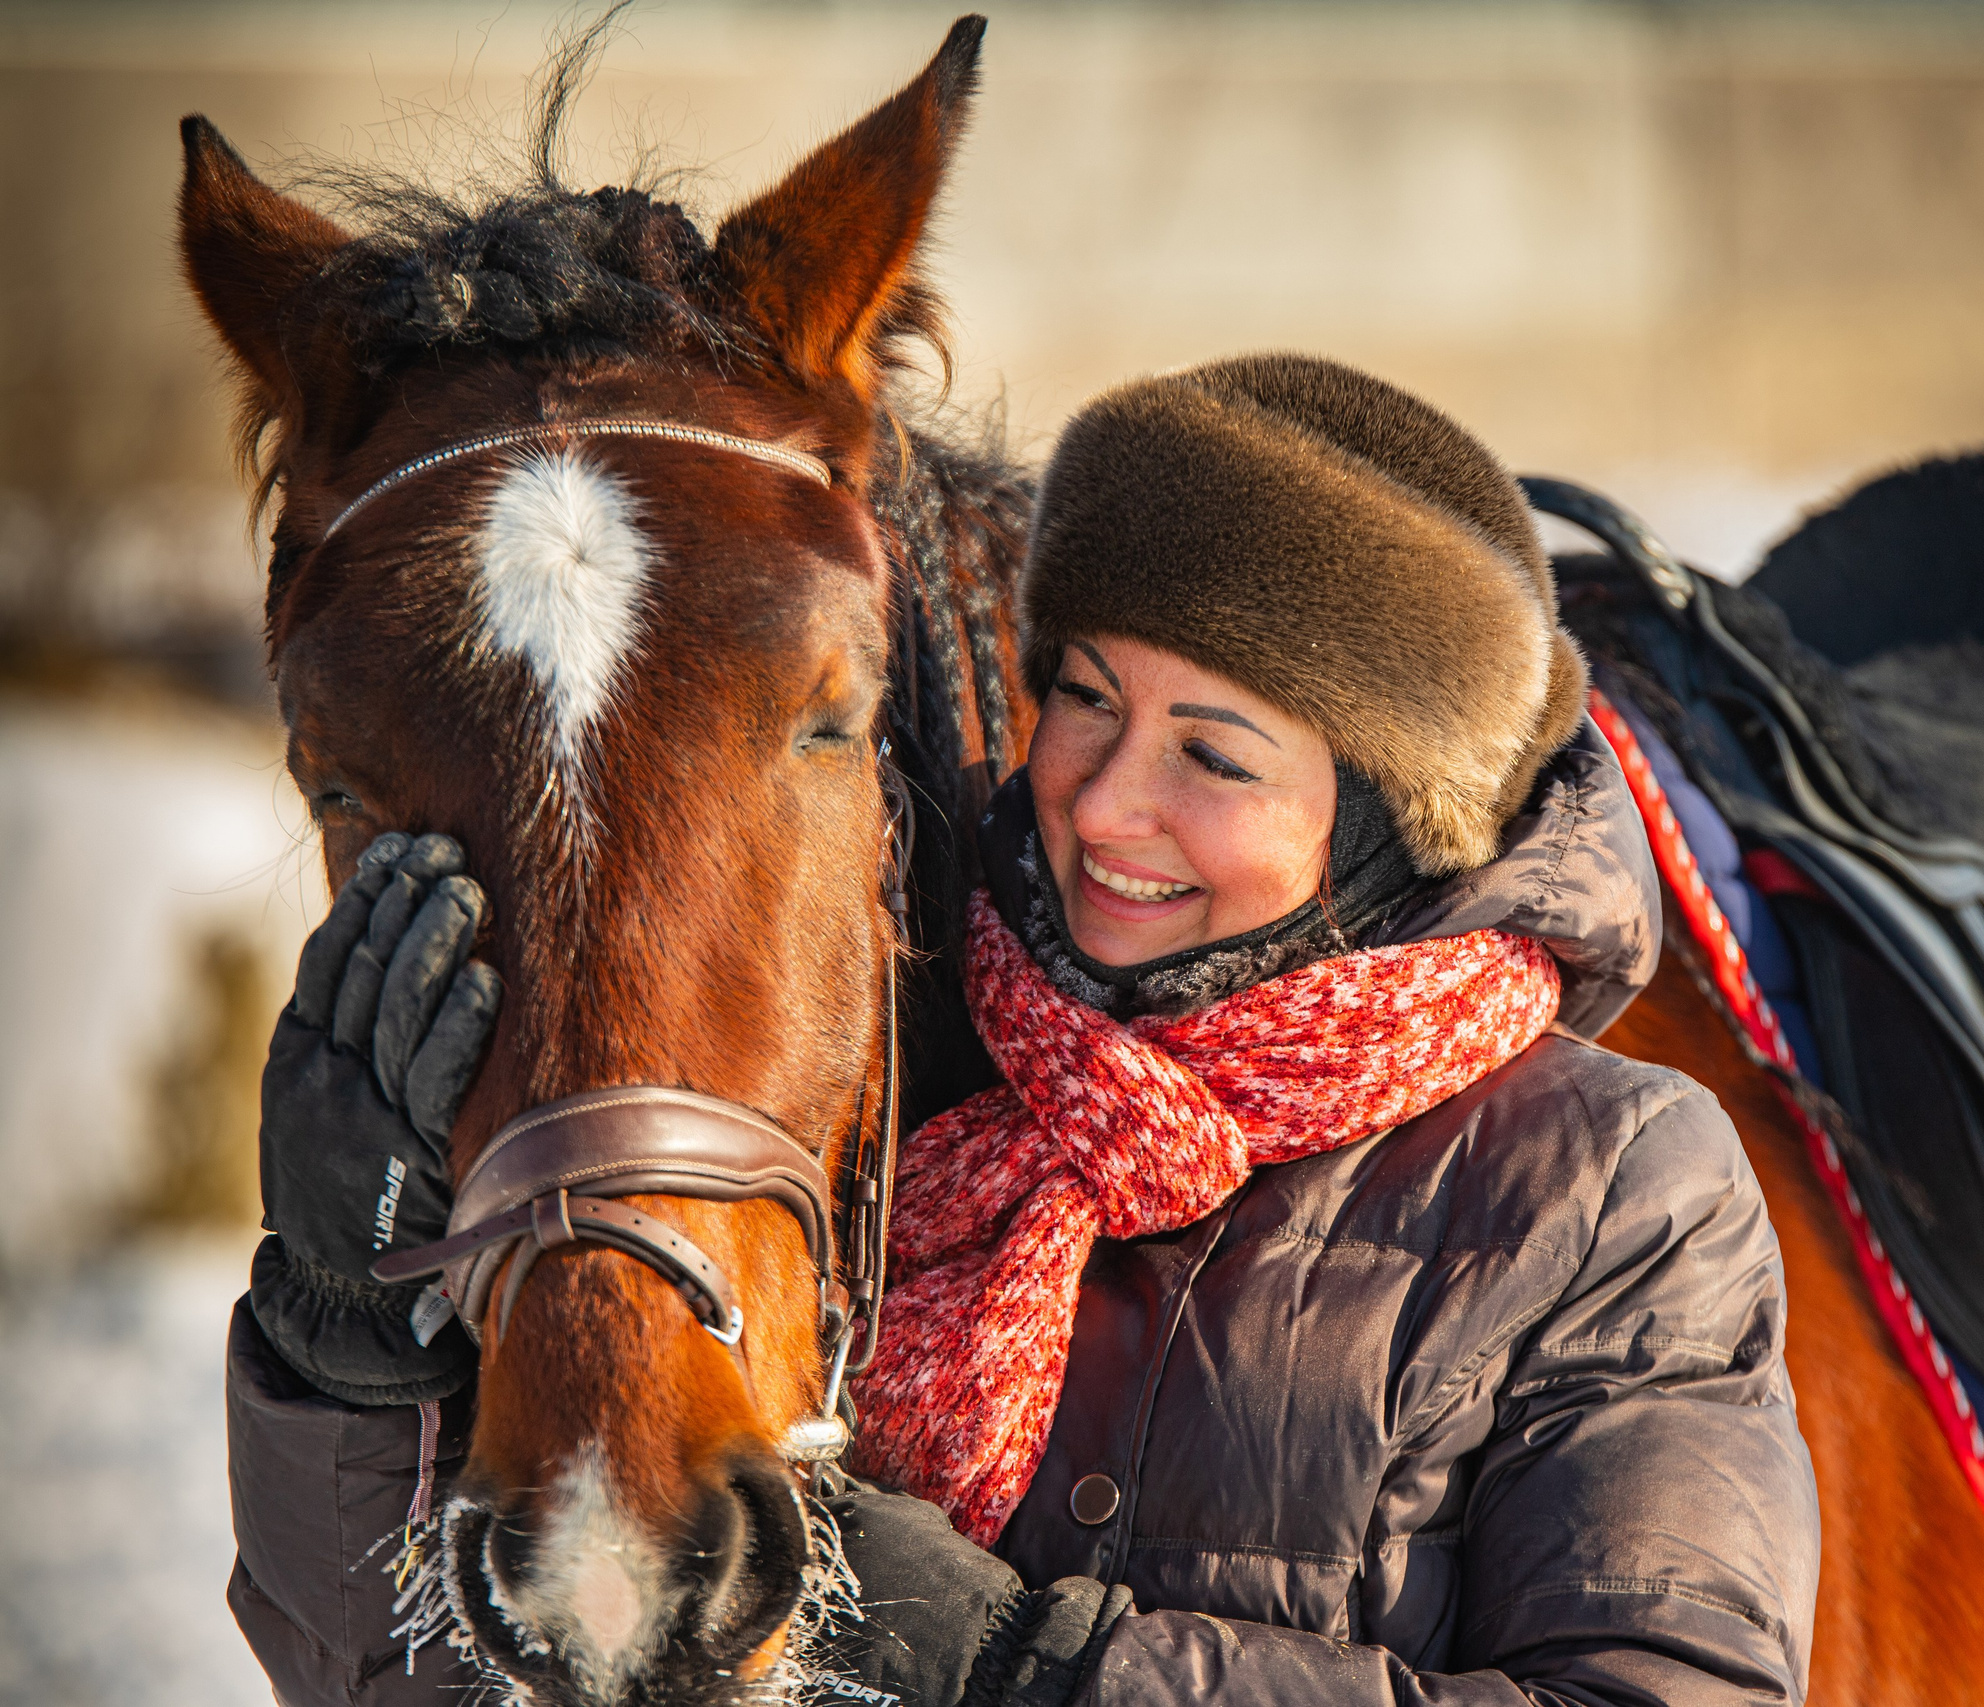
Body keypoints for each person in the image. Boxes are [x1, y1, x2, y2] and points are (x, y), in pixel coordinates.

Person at [232, 354, 1820, 1705]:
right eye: (1086, 697)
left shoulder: (1605, 1188)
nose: (1106, 804)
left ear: (1388, 818)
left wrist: (1028, 1672)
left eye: (1216, 754)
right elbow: (492, 1663)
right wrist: (343, 1334)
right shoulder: (889, 1084)